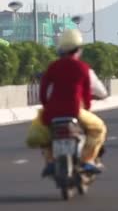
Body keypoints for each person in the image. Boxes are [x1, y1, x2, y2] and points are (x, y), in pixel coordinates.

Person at [26, 29, 108, 176]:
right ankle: (87, 160)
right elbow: (87, 96)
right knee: (99, 129)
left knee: (46, 135)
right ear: (78, 49)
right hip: (75, 111)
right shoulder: (83, 68)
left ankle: (50, 161)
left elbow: (43, 92)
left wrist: (47, 107)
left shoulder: (52, 67)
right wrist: (87, 108)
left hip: (52, 113)